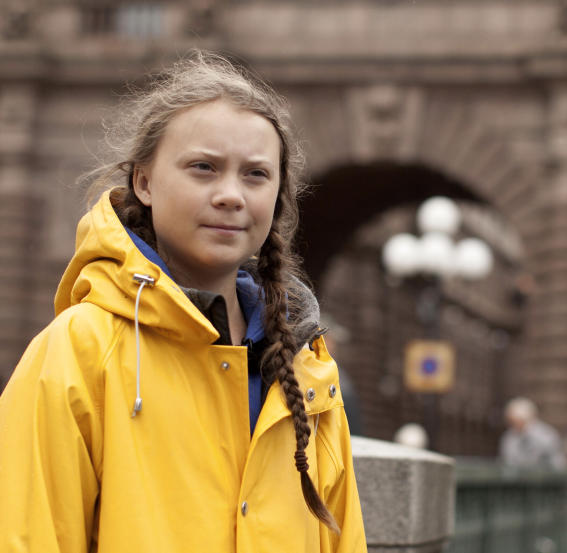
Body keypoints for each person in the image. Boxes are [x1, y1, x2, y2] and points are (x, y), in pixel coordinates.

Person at [0, 51, 366, 552]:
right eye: (203, 168)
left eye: (256, 174)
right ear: (144, 182)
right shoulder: (79, 350)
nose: (231, 194)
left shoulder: (307, 366)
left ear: (278, 194)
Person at [498, 397, 567, 470]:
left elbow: (556, 462)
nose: (511, 424)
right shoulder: (508, 437)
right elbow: (507, 461)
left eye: (515, 420)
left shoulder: (545, 435)